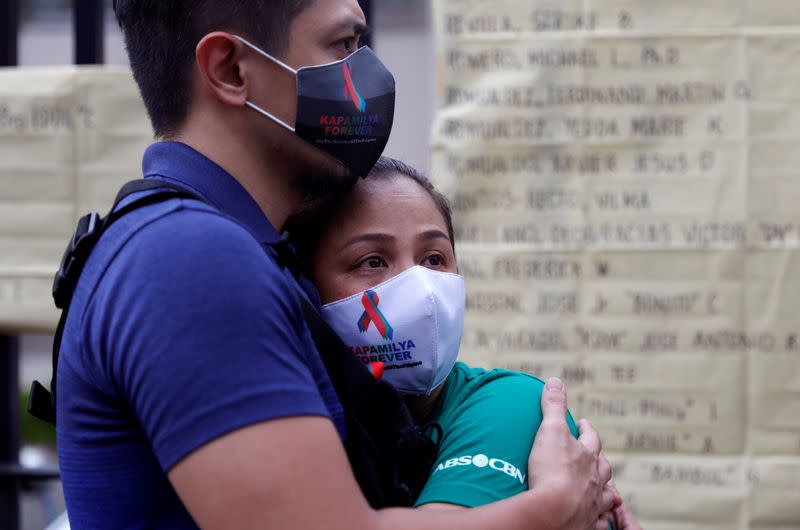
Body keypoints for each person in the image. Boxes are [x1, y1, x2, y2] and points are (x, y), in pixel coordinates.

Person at [55, 1, 618, 528]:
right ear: (230, 69)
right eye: (343, 45)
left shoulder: (213, 246)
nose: (364, 76)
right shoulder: (190, 258)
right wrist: (554, 507)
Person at [289, 157, 642, 530]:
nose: (420, 286)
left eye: (434, 258)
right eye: (373, 260)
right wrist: (555, 504)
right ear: (308, 289)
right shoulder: (296, 420)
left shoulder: (512, 402)